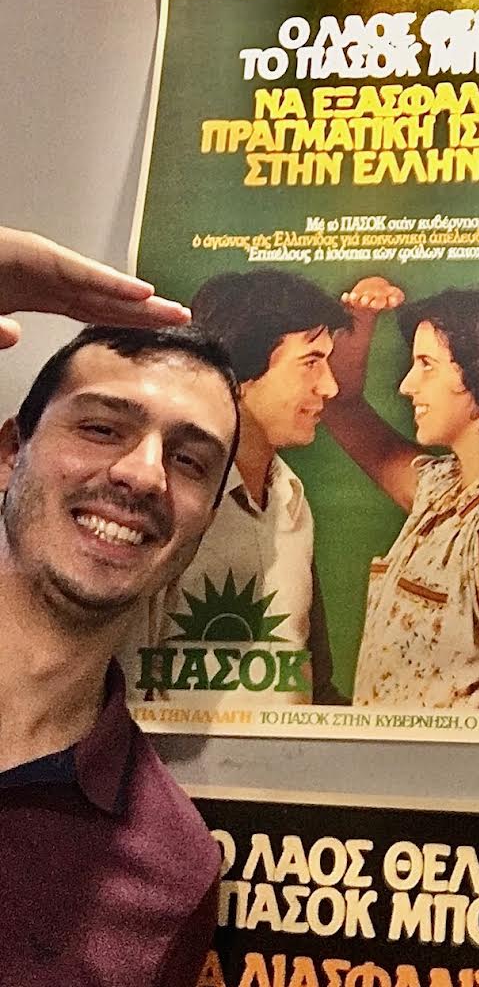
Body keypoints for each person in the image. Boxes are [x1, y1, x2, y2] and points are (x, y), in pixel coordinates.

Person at [0, 227, 237, 985]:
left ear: (203, 525)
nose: (142, 475)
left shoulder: (174, 868)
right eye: (102, 428)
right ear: (10, 454)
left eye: (189, 460)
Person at [324, 280, 479, 710]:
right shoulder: (440, 489)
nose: (407, 386)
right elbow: (342, 405)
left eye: (427, 365)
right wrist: (361, 322)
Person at [137, 269, 350, 704]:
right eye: (311, 362)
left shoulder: (292, 499)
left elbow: (313, 680)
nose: (329, 386)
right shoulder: (162, 497)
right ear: (239, 370)